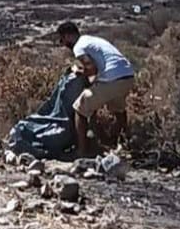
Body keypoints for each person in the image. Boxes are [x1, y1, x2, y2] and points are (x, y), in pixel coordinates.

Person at [56, 21, 135, 156]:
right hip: (127, 76)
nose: (63, 44)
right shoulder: (91, 40)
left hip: (112, 79)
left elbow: (92, 69)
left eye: (62, 40)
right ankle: (123, 143)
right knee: (118, 110)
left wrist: (78, 72)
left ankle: (81, 150)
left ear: (68, 36)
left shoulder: (79, 47)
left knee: (79, 108)